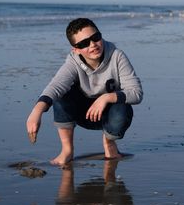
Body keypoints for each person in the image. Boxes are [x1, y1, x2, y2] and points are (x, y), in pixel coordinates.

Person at [26, 18, 143, 165]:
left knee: (122, 107)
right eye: (83, 43)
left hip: (110, 115)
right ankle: (67, 150)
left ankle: (109, 143)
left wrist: (106, 98)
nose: (93, 45)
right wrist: (37, 111)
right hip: (81, 113)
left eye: (95, 37)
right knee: (62, 94)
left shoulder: (117, 56)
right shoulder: (73, 61)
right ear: (75, 49)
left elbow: (136, 93)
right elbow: (55, 86)